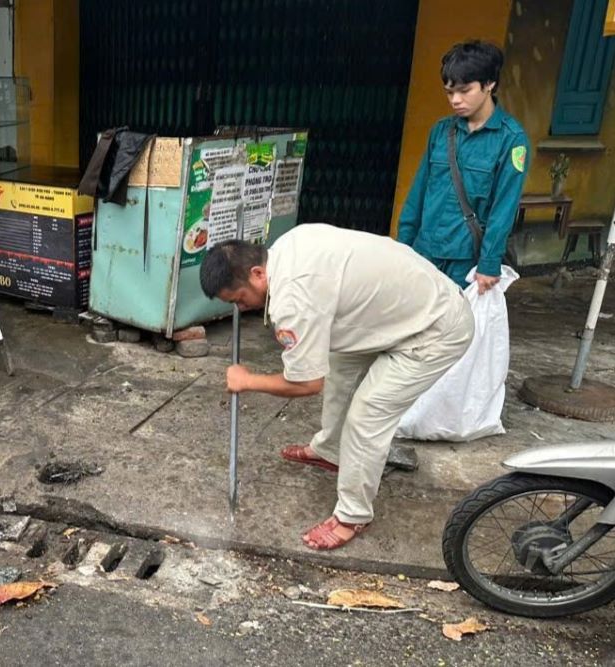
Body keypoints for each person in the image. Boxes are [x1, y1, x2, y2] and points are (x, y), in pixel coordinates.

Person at [200, 225, 474, 551]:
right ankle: (330, 451)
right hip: (406, 307)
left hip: (435, 329)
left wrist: (248, 381)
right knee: (340, 368)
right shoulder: (287, 245)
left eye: (239, 300)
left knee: (368, 415)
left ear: (257, 274)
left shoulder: (292, 300)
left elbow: (306, 383)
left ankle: (353, 515)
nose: (241, 309)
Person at [397, 40, 529, 293]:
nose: (455, 100)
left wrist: (489, 263)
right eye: (449, 92)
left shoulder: (511, 139)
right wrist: (402, 245)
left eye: (464, 91)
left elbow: (504, 208)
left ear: (489, 84)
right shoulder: (441, 131)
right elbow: (418, 193)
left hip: (465, 262)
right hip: (424, 251)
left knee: (456, 319)